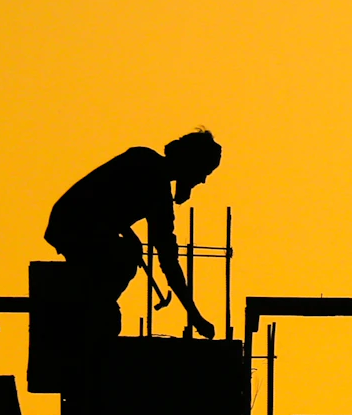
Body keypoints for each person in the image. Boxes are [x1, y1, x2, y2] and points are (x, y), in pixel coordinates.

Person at [45, 129, 221, 338]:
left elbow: (111, 207)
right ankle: (93, 311)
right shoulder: (148, 171)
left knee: (123, 256)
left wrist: (126, 233)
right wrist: (194, 314)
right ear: (191, 165)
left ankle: (92, 309)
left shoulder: (149, 168)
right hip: (73, 224)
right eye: (204, 173)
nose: (202, 181)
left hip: (73, 223)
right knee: (124, 258)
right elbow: (101, 201)